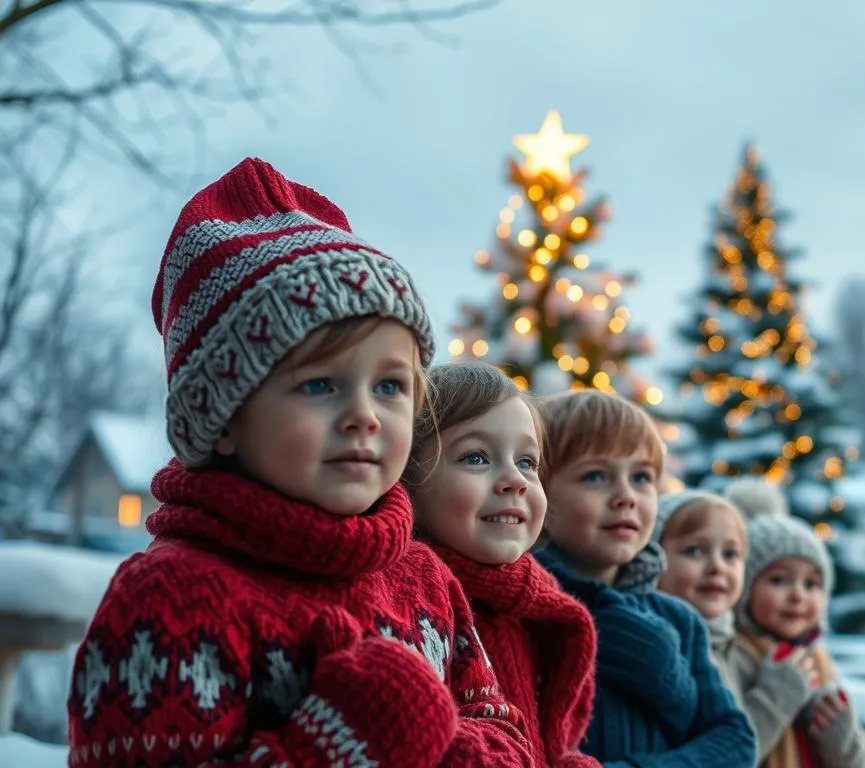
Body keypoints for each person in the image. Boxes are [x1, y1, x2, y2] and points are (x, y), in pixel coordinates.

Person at [67, 158, 524, 767]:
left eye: (390, 387)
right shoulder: (174, 602)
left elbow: (509, 741)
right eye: (319, 386)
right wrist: (334, 745)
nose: (364, 415)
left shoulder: (424, 580)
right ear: (224, 418)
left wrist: (430, 740)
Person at [533, 390, 756, 767]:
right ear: (539, 490)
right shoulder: (527, 612)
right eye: (595, 476)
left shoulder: (680, 620)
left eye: (641, 477)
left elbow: (735, 741)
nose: (626, 496)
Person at [406, 361, 599, 767]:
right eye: (476, 457)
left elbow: (552, 745)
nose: (516, 479)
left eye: (527, 462)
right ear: (408, 478)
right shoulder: (411, 606)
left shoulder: (540, 610)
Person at [726, 478, 865, 768]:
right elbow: (729, 754)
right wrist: (776, 695)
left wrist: (841, 738)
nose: (797, 595)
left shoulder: (816, 659)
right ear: (745, 589)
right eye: (778, 580)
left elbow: (856, 763)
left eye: (811, 584)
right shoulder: (735, 654)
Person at [653, 487, 749, 695]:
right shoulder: (662, 649)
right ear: (653, 559)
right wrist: (778, 693)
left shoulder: (730, 641)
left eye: (730, 554)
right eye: (694, 551)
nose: (717, 567)